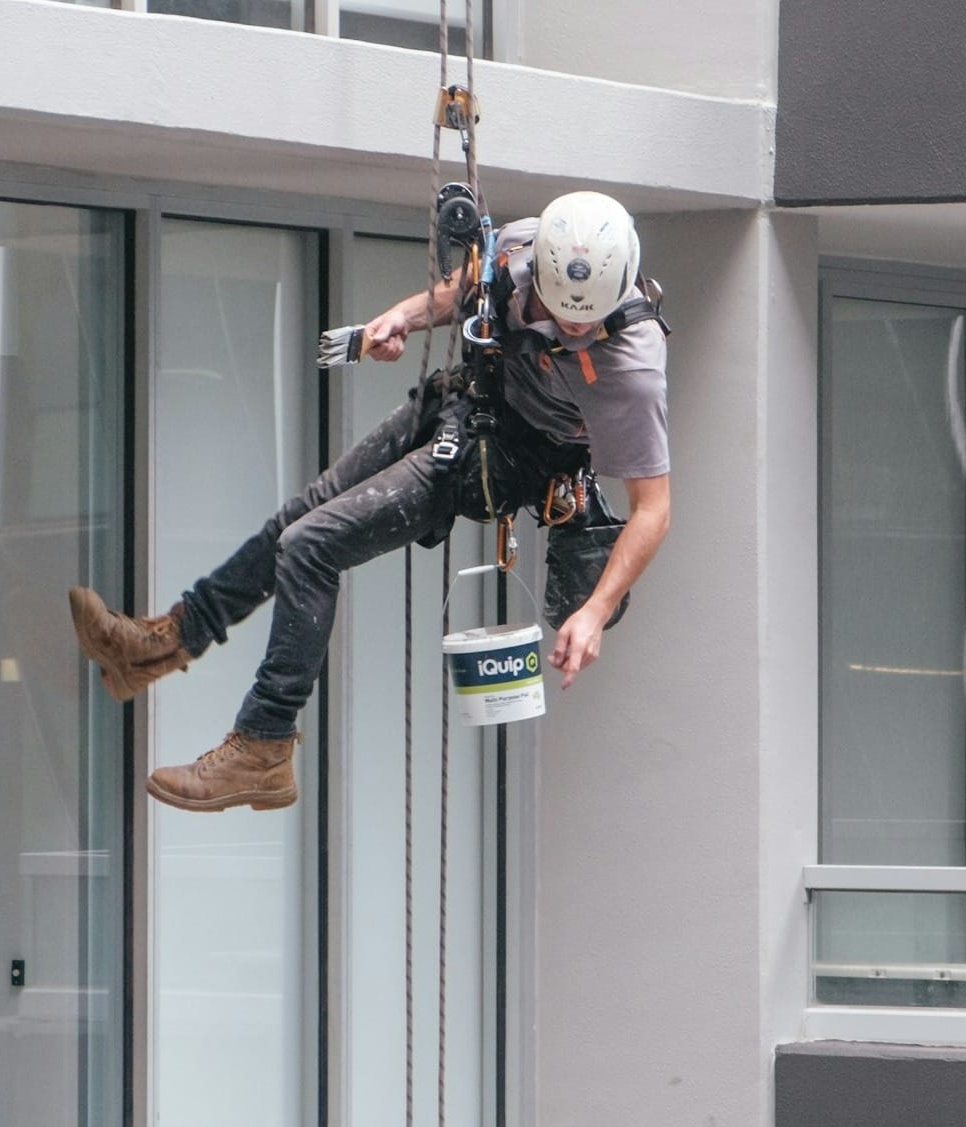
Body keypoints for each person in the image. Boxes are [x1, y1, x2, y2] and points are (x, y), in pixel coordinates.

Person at [66, 190, 672, 812]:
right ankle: (162, 644)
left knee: (311, 546)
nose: (574, 329)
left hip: (512, 459)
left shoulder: (631, 365)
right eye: (560, 314)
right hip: (465, 404)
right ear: (538, 266)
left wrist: (595, 611)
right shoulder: (522, 245)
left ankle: (264, 744)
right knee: (296, 521)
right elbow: (467, 288)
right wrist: (402, 319)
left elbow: (653, 506)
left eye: (586, 323)